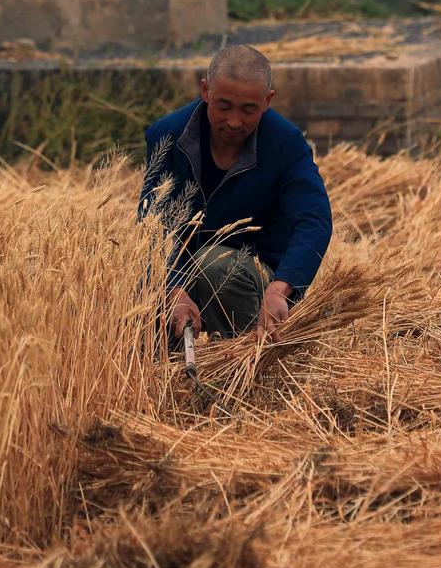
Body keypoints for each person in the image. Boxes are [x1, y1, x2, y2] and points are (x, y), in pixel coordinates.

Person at [138, 44, 332, 343]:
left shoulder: (286, 143)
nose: (233, 121)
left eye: (248, 110)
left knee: (215, 267)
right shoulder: (167, 135)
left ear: (267, 101)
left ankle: (242, 359)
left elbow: (314, 220)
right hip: (177, 271)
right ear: (205, 91)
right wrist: (173, 289)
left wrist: (279, 289)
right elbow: (151, 223)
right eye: (224, 106)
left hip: (253, 277)